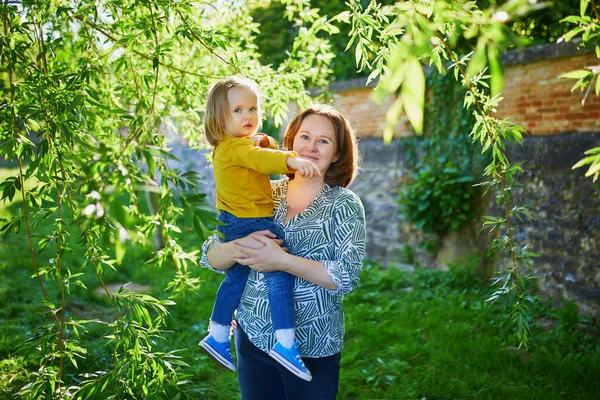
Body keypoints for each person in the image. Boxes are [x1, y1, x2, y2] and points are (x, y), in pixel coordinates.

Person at [200, 104, 366, 399]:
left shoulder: (345, 205)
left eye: (323, 141)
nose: (311, 147)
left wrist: (282, 261)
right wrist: (236, 248)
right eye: (304, 137)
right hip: (252, 337)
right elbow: (211, 257)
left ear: (338, 154)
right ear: (291, 142)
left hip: (313, 345)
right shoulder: (264, 191)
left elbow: (346, 276)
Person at [199, 76, 321, 381]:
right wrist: (293, 160)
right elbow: (260, 159)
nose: (248, 116)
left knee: (236, 277)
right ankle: (286, 343)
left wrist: (268, 144)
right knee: (278, 273)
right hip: (250, 221)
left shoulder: (232, 147)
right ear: (219, 117)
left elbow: (260, 154)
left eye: (253, 108)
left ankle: (216, 333)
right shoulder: (234, 149)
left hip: (233, 220)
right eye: (238, 110)